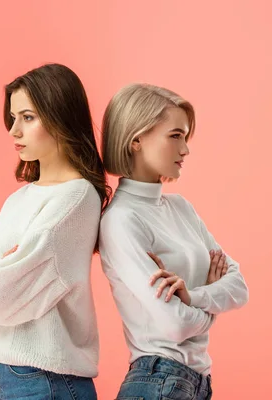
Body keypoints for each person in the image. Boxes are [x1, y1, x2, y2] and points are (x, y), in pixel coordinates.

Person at [0, 63, 110, 400]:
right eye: (13, 118)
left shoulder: (76, 197)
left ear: (60, 117)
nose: (13, 131)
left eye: (27, 117)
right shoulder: (19, 199)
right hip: (14, 376)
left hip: (47, 381)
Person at [99, 83, 249, 400]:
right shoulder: (121, 220)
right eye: (175, 135)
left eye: (186, 137)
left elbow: (240, 288)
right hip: (157, 381)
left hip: (196, 383)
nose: (186, 150)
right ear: (136, 139)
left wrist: (191, 297)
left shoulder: (181, 208)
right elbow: (174, 327)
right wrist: (212, 305)